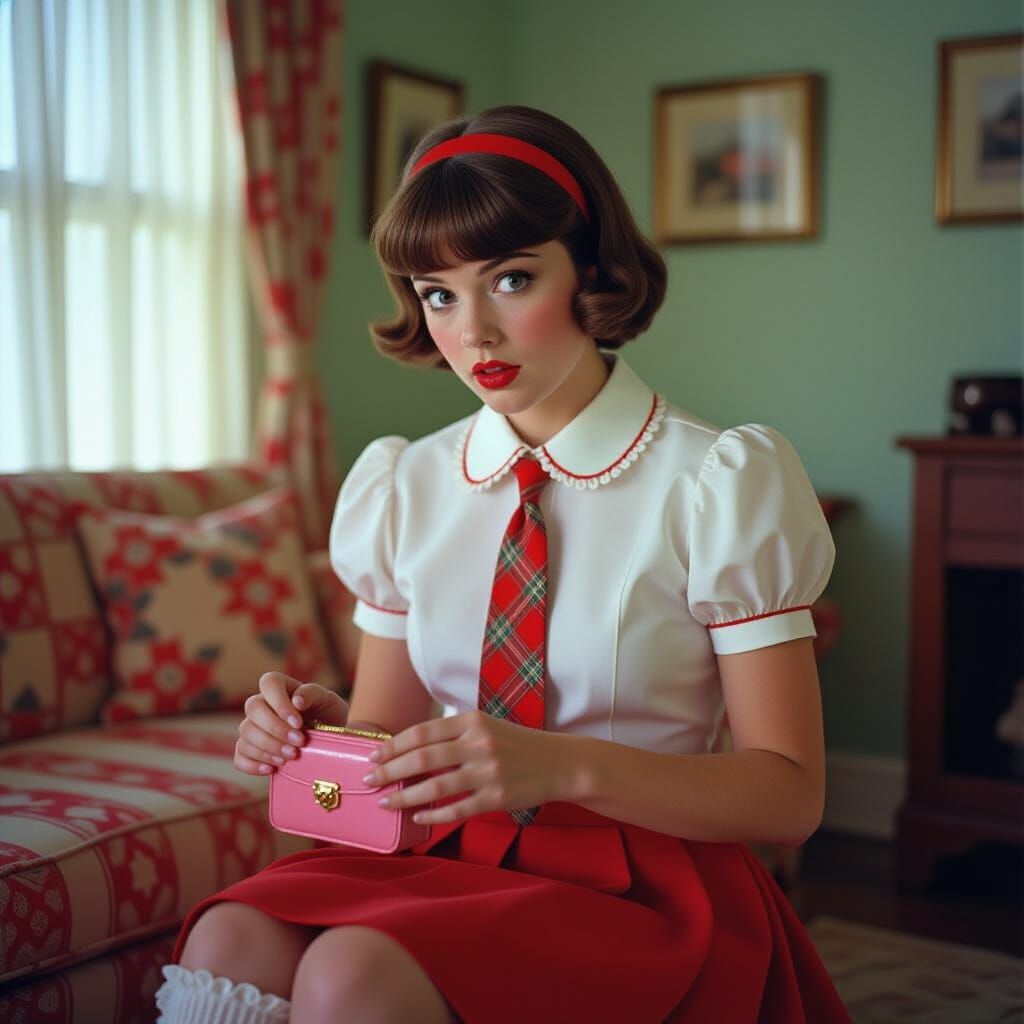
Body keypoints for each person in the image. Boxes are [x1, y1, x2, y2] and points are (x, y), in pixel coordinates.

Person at [155, 104, 851, 1023]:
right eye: (438, 293)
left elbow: (789, 796)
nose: (472, 331)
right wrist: (316, 746)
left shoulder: (719, 483)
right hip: (448, 853)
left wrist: (556, 767)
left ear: (590, 273)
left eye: (510, 279)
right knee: (227, 938)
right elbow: (360, 783)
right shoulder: (406, 486)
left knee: (350, 974)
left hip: (645, 882)